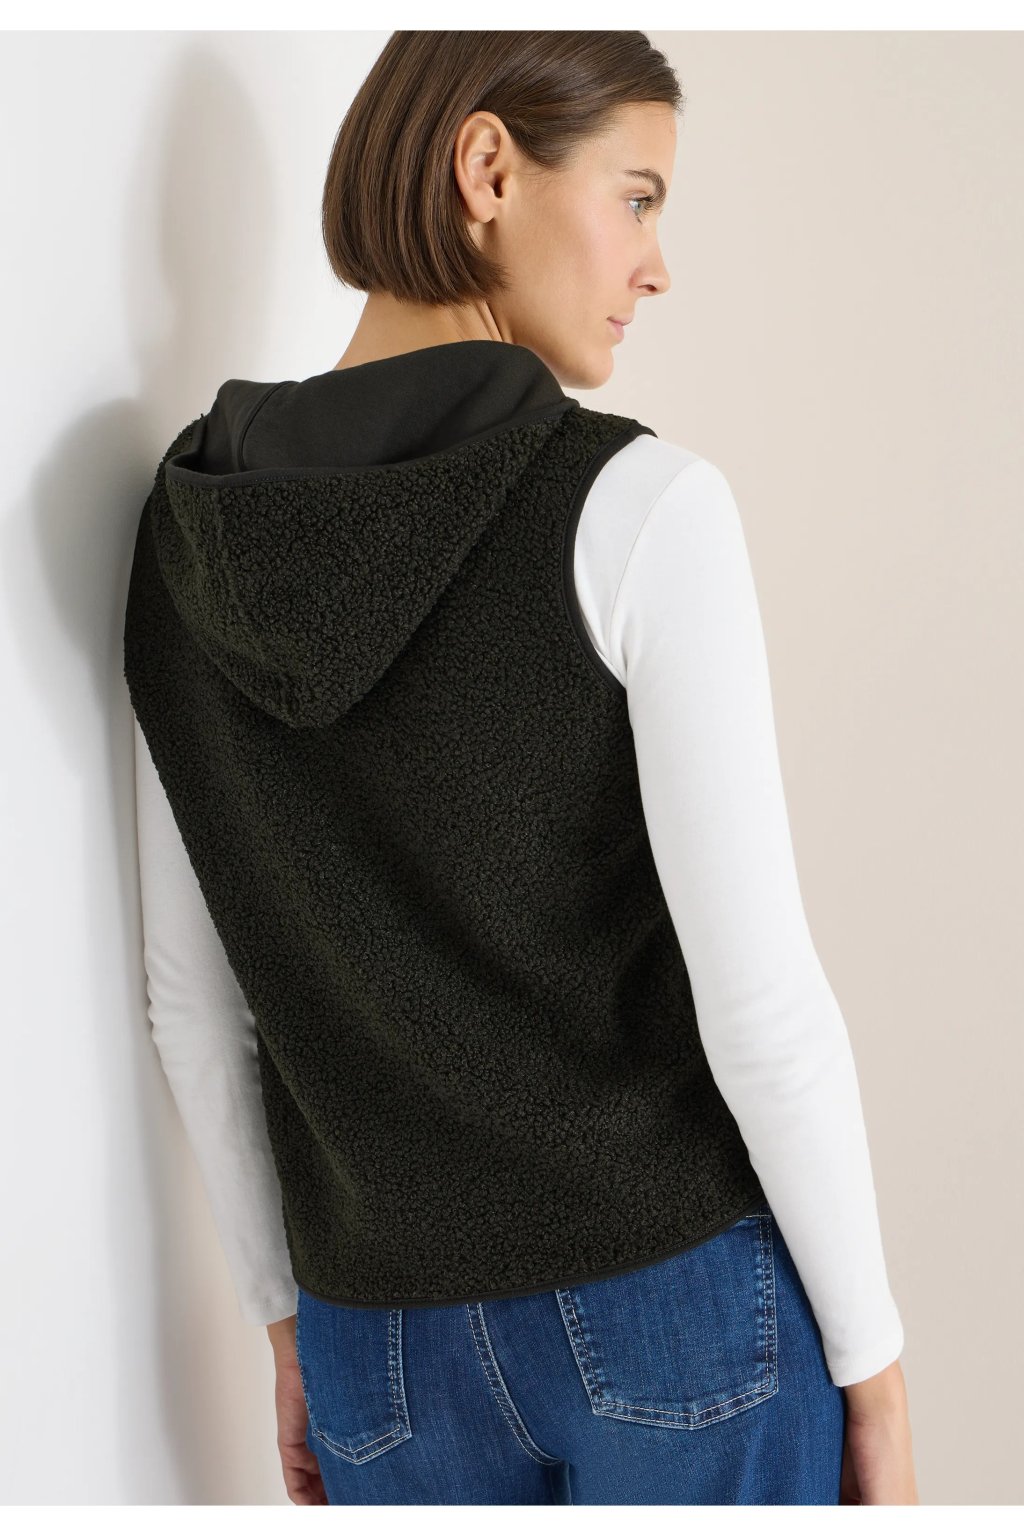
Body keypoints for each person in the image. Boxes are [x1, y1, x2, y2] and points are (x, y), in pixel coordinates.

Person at [125, 31, 918, 1506]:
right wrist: (872, 1366)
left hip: (378, 1347)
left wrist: (289, 1323)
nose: (657, 266)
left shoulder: (186, 543)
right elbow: (760, 1009)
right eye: (637, 196)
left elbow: (193, 1004)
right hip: (675, 1304)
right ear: (488, 169)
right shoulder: (639, 506)